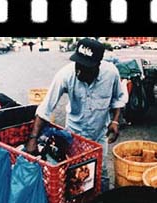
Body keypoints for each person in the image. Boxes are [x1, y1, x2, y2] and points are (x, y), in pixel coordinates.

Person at [26, 37, 125, 192]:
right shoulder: (65, 75)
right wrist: (33, 138)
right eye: (78, 64)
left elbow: (119, 98)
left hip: (99, 135)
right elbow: (46, 108)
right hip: (74, 134)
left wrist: (115, 121)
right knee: (75, 176)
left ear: (98, 65)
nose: (79, 70)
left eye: (85, 67)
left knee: (101, 173)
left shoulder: (111, 73)